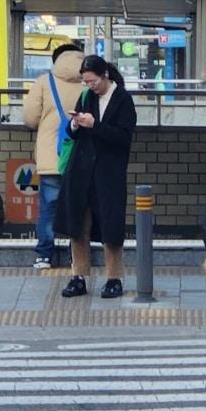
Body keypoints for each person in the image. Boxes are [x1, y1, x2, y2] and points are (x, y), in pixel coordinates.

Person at [53, 56, 137, 299]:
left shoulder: (122, 99)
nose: (91, 86)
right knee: (78, 225)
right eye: (86, 82)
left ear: (105, 75)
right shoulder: (86, 97)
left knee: (111, 225)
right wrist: (75, 124)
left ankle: (114, 278)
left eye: (94, 81)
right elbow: (72, 132)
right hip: (81, 170)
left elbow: (124, 137)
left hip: (109, 172)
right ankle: (78, 276)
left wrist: (95, 125)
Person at [23, 42, 84, 269]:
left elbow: (30, 119)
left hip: (51, 156)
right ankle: (77, 256)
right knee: (77, 208)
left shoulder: (44, 82)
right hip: (79, 156)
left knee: (48, 209)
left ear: (56, 60)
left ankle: (44, 256)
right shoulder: (88, 82)